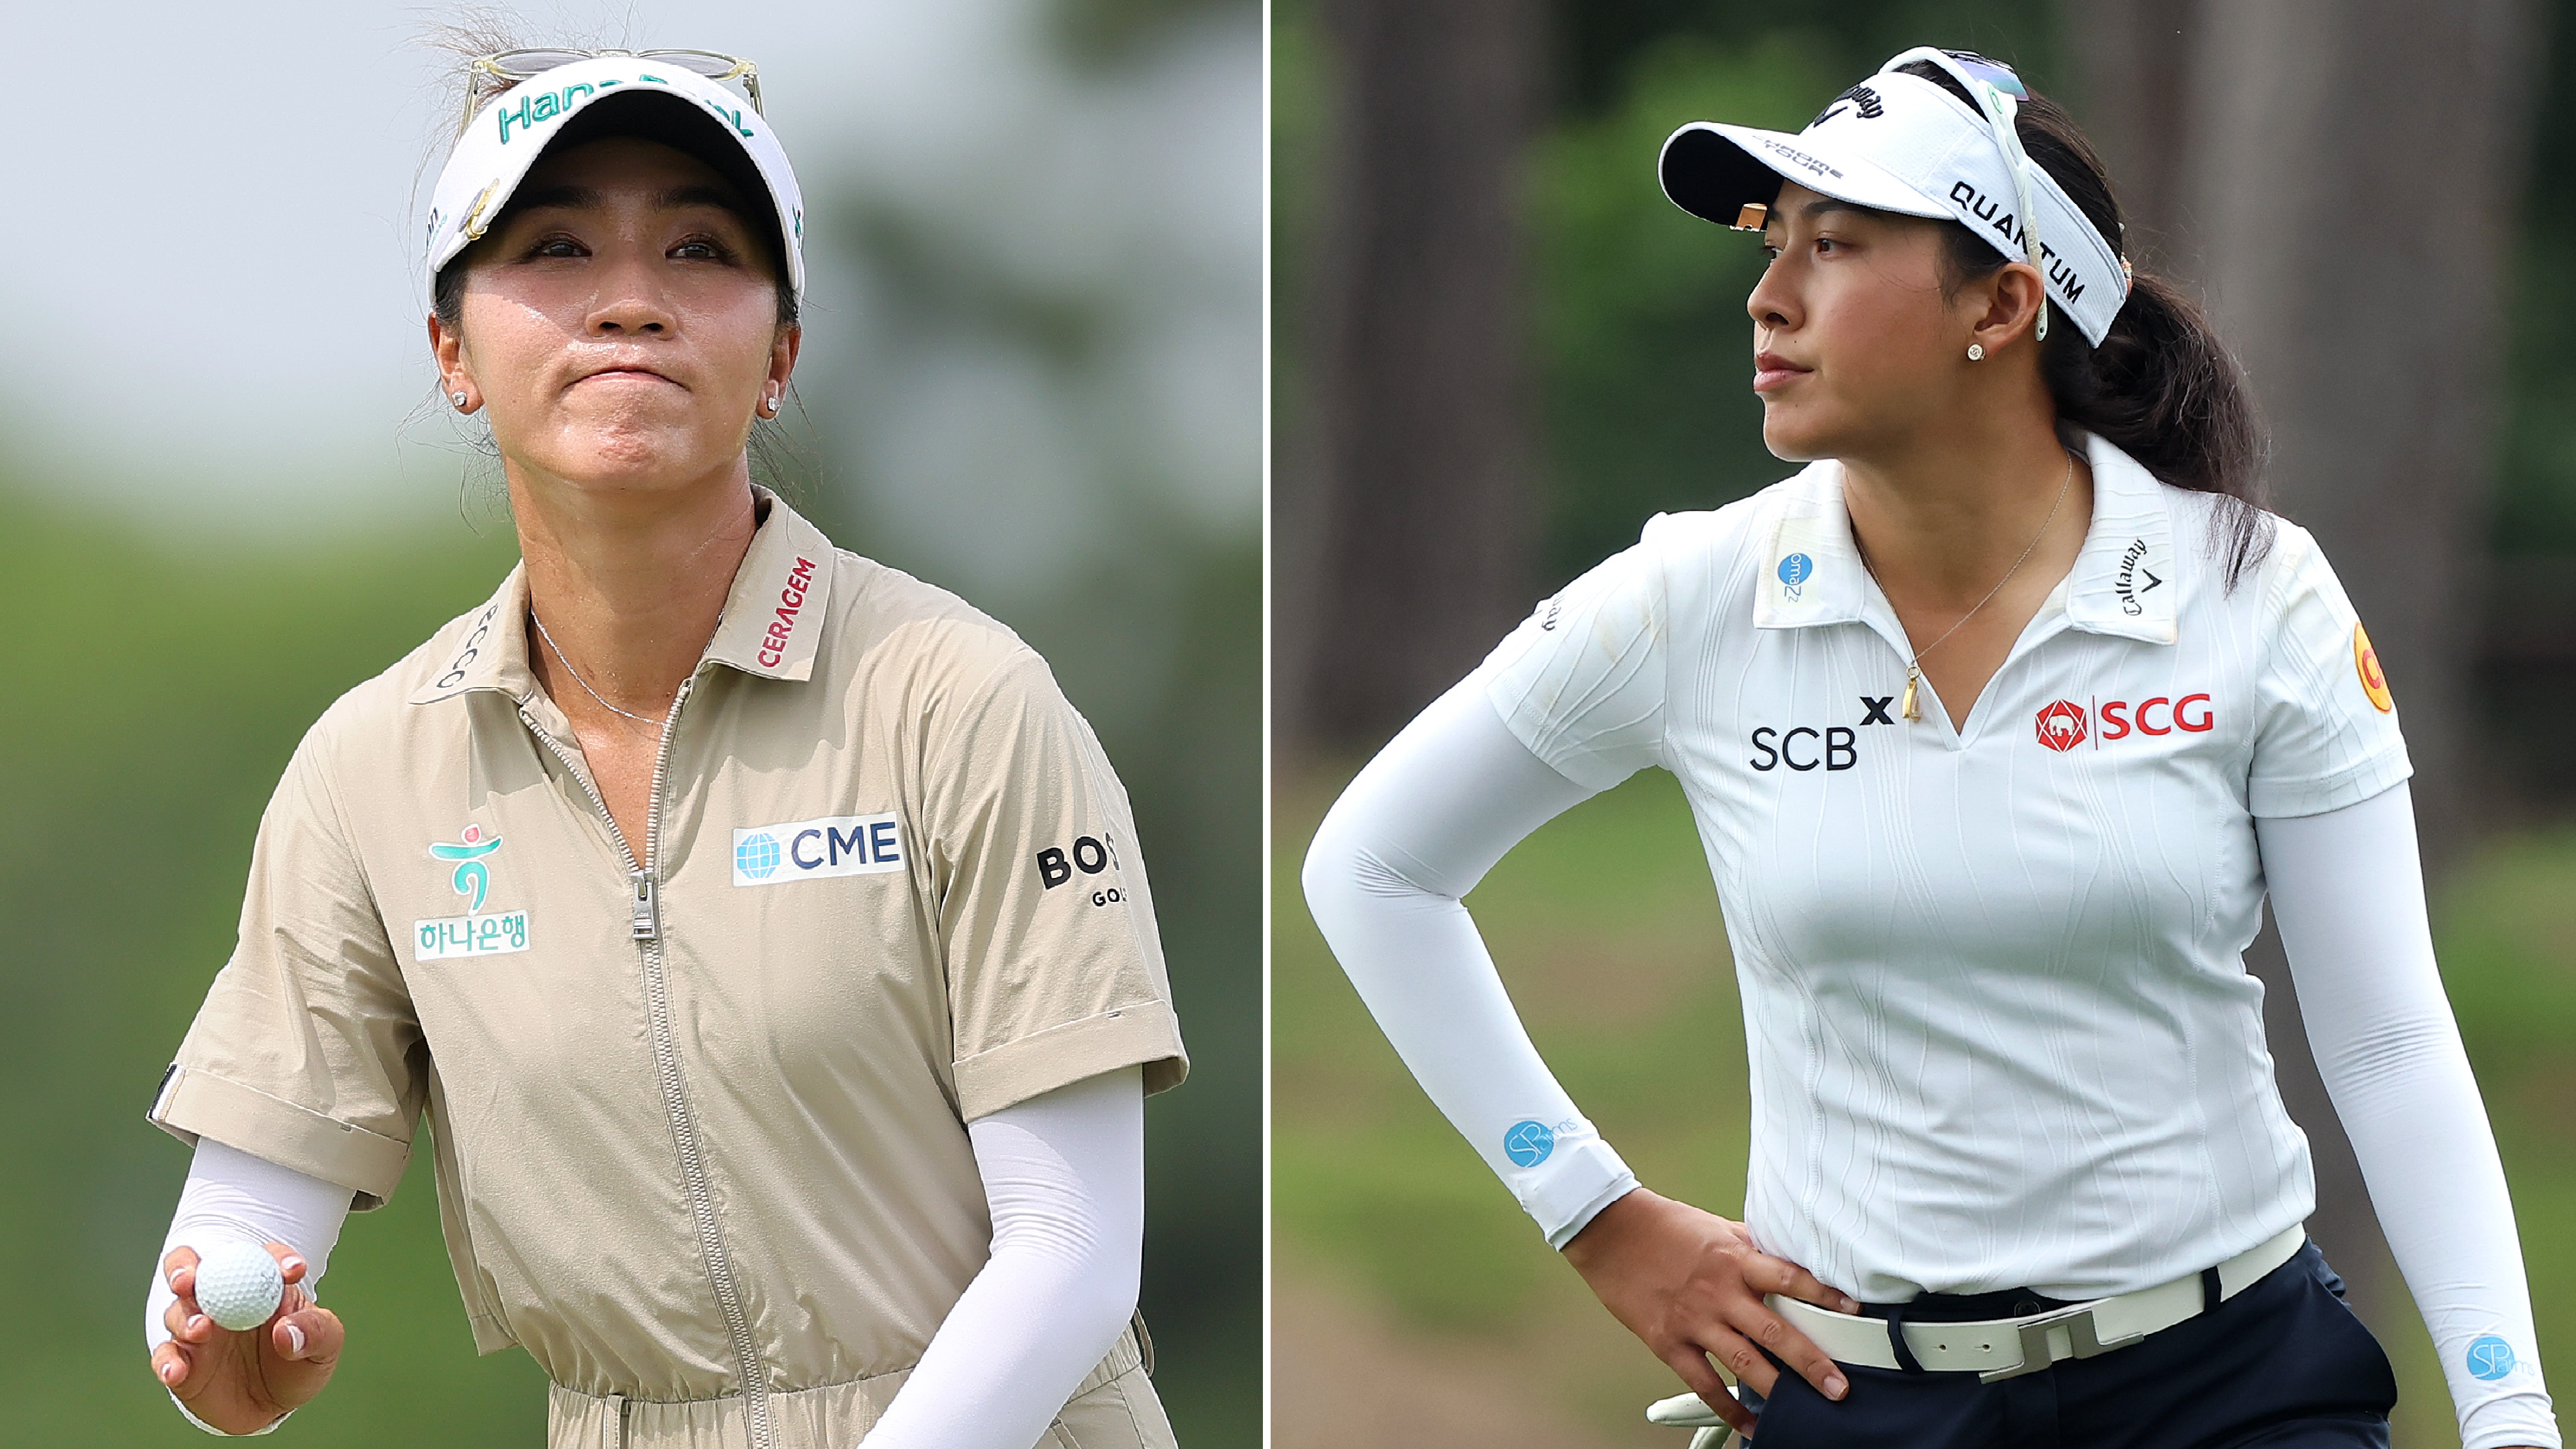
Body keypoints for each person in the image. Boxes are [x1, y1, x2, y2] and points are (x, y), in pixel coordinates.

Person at [1302, 46, 2557, 1449]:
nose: (1770, 296)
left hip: (2229, 1388)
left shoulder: (2255, 591)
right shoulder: (1692, 596)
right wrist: (1595, 1212)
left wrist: (2506, 1403)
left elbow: (2385, 1035)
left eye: (1834, 246)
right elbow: (1373, 866)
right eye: (1775, 246)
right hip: (1858, 1401)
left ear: (2006, 302)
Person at [141, 48, 1187, 1449]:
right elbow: (243, 1222)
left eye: (700, 248)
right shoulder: (370, 772)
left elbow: (1069, 1247)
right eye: (557, 246)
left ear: (782, 354)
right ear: (452, 349)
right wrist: (221, 1343)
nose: (631, 300)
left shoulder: (956, 698)